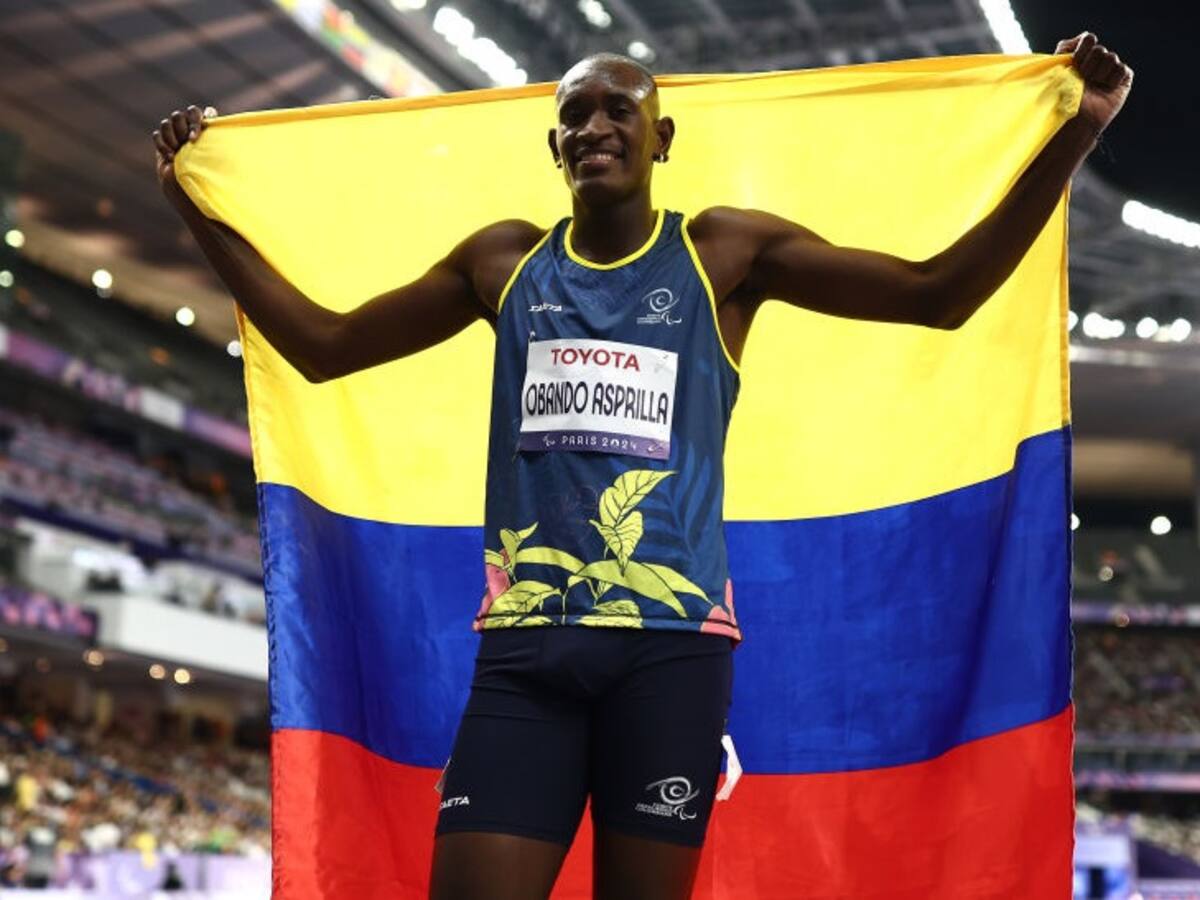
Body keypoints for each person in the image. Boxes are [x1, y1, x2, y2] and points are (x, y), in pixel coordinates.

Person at [154, 33, 1130, 900]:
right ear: (553, 149)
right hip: (526, 655)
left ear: (662, 140)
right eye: (573, 114)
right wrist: (193, 205)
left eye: (620, 107)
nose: (595, 126)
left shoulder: (723, 257)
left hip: (670, 657)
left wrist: (1075, 134)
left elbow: (941, 293)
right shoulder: (503, 266)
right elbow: (322, 345)